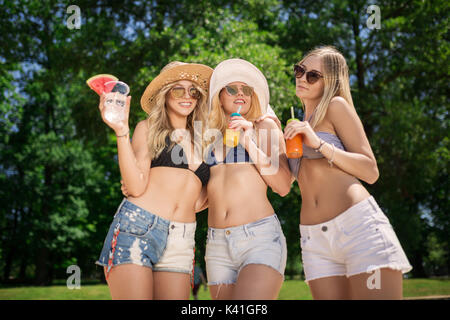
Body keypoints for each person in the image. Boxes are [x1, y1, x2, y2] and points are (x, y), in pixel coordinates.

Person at [283, 46, 412, 299]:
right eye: (300, 70)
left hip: (357, 227)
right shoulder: (295, 126)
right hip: (314, 240)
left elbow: (370, 170)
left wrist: (319, 144)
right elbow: (284, 182)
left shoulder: (335, 106)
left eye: (312, 75)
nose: (302, 78)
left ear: (330, 82)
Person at [95, 61, 213, 299]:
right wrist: (121, 131)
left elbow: (202, 201)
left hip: (182, 238)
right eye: (178, 89)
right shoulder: (147, 128)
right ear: (165, 94)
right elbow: (136, 186)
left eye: (193, 91)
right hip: (139, 227)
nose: (187, 96)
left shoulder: (205, 141)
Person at [203, 58, 292, 300]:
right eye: (232, 88)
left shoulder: (264, 127)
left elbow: (283, 185)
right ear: (220, 96)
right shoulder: (209, 137)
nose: (240, 93)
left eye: (247, 90)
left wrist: (248, 142)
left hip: (259, 239)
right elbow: (205, 196)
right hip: (217, 244)